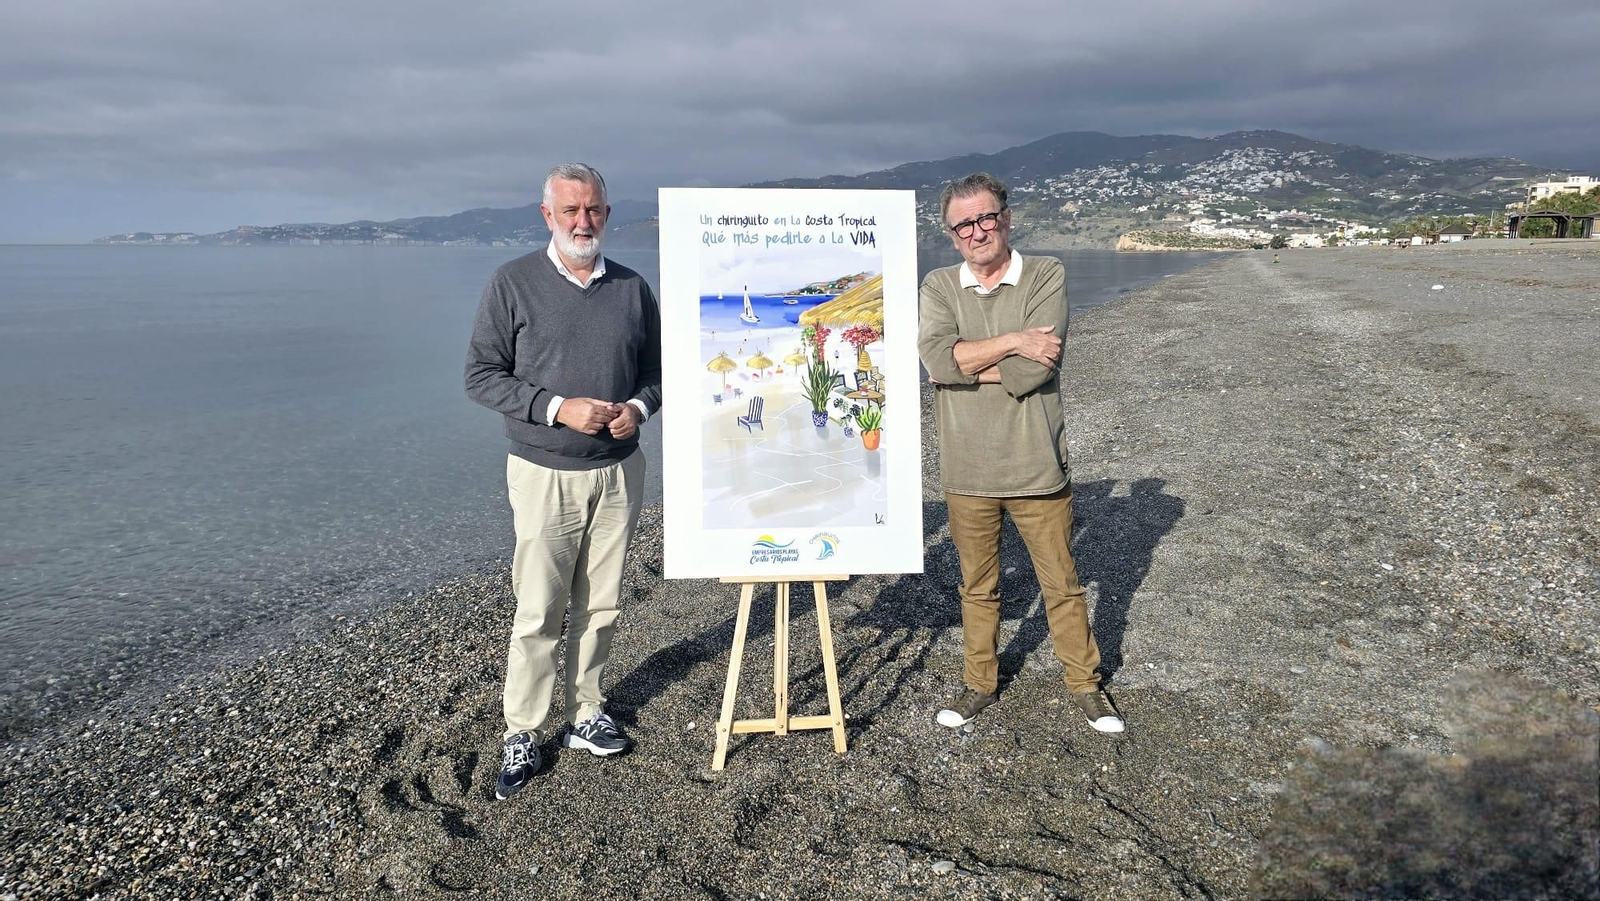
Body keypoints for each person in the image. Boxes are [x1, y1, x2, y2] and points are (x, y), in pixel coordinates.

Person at [465, 162, 662, 800]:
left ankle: (585, 713)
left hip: (618, 472)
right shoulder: (512, 282)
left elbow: (660, 373)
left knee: (601, 606)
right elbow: (481, 376)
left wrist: (638, 409)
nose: (584, 222)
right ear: (547, 214)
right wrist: (557, 408)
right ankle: (522, 730)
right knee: (538, 611)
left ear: (607, 213)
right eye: (571, 211)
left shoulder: (632, 288)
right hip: (543, 472)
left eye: (595, 210)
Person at [916, 172, 1124, 735]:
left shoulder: (1046, 273)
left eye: (986, 218)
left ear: (1006, 218)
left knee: (1062, 582)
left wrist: (966, 367)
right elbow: (935, 360)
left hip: (1037, 466)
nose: (977, 231)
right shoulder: (938, 285)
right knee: (977, 587)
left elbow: (1035, 371)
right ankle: (979, 683)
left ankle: (1086, 685)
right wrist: (1011, 341)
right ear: (951, 234)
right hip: (966, 469)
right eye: (964, 224)